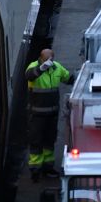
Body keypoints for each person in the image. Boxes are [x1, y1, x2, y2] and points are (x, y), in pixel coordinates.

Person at [25, 48, 74, 181]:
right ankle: (35, 170)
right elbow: (29, 76)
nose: (48, 62)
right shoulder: (33, 67)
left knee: (49, 141)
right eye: (45, 60)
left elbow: (69, 78)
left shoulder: (57, 67)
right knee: (36, 141)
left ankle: (48, 168)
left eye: (50, 60)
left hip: (52, 113)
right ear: (40, 59)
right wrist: (41, 68)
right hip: (36, 114)